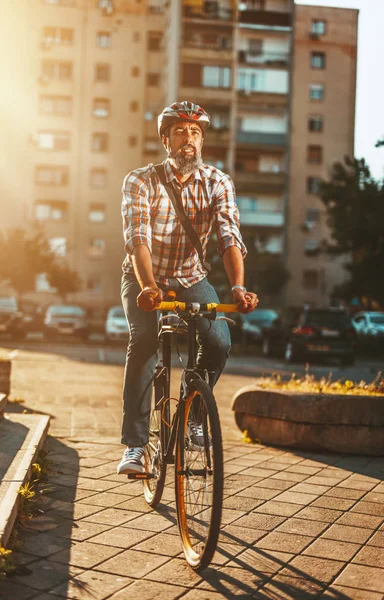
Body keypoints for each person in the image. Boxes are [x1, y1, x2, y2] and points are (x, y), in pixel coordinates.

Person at [117, 101, 258, 474]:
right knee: (144, 340)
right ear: (166, 140)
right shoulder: (140, 180)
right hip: (143, 276)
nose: (188, 138)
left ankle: (194, 415)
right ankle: (136, 446)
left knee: (219, 342)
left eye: (195, 132)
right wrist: (148, 287)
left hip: (191, 275)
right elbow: (138, 238)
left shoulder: (218, 182)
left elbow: (230, 238)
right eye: (180, 130)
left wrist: (238, 288)